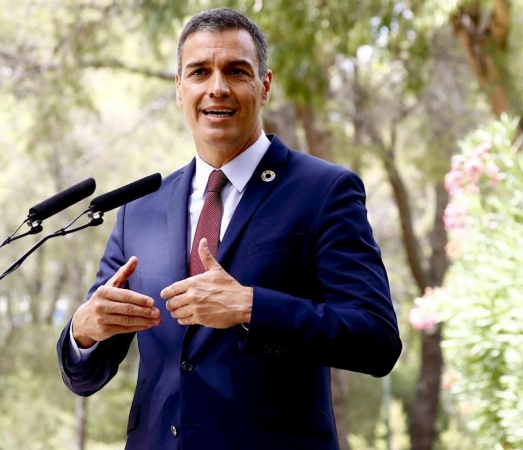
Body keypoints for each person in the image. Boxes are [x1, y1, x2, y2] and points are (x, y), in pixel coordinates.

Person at [56, 7, 401, 450]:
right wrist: (83, 332)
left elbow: (376, 339)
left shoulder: (324, 191)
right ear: (180, 89)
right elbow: (87, 375)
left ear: (265, 86)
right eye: (200, 72)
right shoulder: (139, 208)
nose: (217, 87)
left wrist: (250, 306)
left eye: (236, 71)